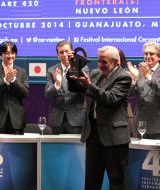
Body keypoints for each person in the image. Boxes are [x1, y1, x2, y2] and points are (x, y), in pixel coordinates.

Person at [69, 46, 132, 190]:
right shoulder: (96, 74)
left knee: (116, 183)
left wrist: (89, 85)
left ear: (116, 62)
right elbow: (76, 87)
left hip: (114, 138)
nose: (100, 65)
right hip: (93, 135)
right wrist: (73, 66)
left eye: (104, 62)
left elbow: (110, 98)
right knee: (91, 182)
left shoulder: (124, 77)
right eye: (98, 61)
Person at [127, 42, 160, 139]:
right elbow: (129, 94)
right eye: (145, 53)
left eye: (151, 54)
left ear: (159, 57)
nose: (148, 56)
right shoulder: (139, 72)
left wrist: (148, 76)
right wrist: (133, 79)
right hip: (141, 124)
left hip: (159, 126)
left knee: (159, 154)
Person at [45, 40, 89, 134]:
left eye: (67, 51)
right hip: (56, 120)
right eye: (61, 52)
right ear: (58, 55)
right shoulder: (51, 70)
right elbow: (47, 94)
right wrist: (57, 84)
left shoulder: (82, 68)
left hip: (76, 119)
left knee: (76, 149)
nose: (64, 54)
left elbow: (85, 90)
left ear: (72, 52)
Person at [0, 41, 29, 134]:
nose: (10, 56)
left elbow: (25, 93)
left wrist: (13, 79)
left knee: (17, 148)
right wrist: (5, 81)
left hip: (16, 121)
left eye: (13, 53)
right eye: (6, 53)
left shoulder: (22, 72)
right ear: (0, 55)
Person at [117, 47, 135, 137]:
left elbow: (131, 92)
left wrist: (135, 79)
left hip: (125, 116)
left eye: (117, 58)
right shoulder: (100, 75)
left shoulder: (127, 75)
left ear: (121, 60)